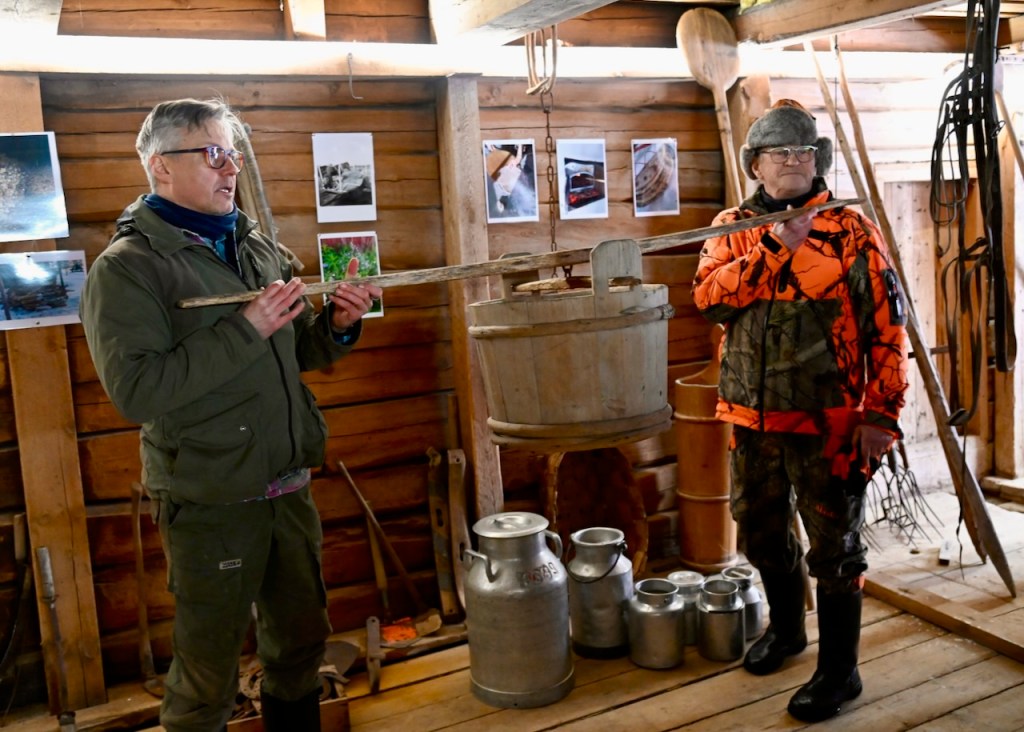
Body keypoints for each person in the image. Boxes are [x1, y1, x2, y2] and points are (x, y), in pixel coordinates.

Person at [79, 98, 382, 732]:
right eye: (213, 153)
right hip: (212, 499)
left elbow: (292, 352)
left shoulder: (253, 244)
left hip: (287, 487)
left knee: (300, 648)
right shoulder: (128, 269)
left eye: (233, 154)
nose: (230, 168)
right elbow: (136, 390)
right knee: (207, 673)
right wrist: (245, 328)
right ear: (161, 167)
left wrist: (339, 325)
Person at [692, 99, 909, 723]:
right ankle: (787, 633)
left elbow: (887, 325)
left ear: (818, 162)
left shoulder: (848, 229)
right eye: (779, 153)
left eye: (804, 152)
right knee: (760, 533)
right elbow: (709, 301)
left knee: (834, 549)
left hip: (830, 423)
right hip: (747, 417)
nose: (793, 162)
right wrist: (773, 249)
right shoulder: (728, 225)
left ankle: (841, 674)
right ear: (755, 165)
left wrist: (881, 415)